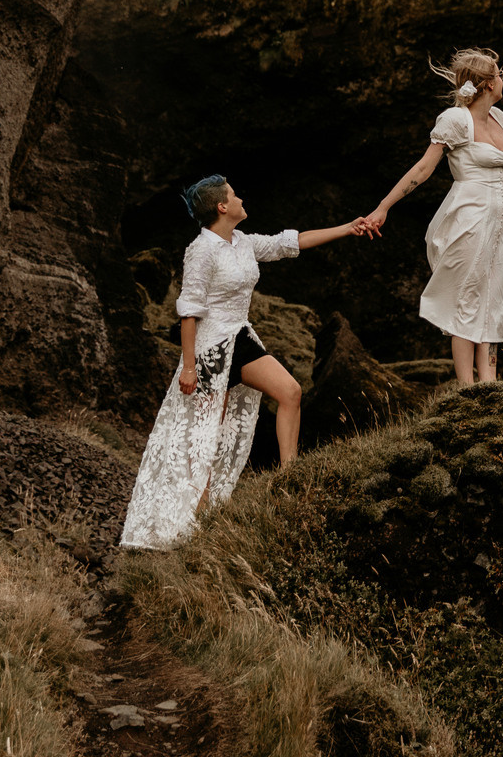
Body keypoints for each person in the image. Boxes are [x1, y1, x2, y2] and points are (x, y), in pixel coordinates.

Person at [117, 177, 369, 552]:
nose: (240, 198)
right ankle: (192, 532)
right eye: (233, 195)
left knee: (290, 392)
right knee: (204, 442)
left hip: (241, 339)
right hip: (209, 352)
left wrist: (348, 228)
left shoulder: (244, 242)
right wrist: (188, 367)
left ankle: (289, 477)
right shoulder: (200, 250)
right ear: (221, 207)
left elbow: (292, 242)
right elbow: (189, 312)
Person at [365, 48, 503, 384]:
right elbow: (423, 169)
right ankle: (468, 387)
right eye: (499, 74)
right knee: (466, 295)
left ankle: (489, 382)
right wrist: (383, 207)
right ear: (488, 84)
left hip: (497, 222)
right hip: (468, 216)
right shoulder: (455, 120)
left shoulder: (500, 120)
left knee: (494, 294)